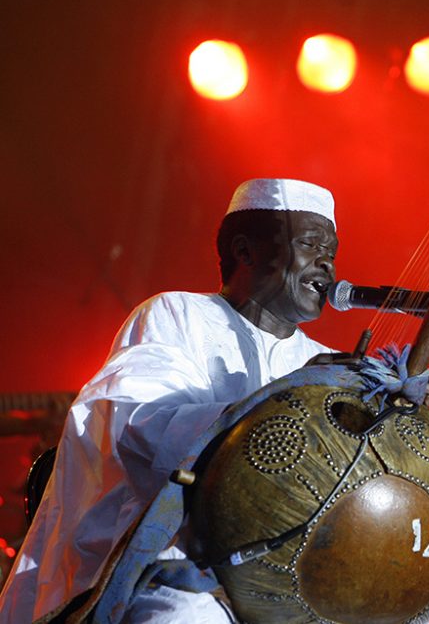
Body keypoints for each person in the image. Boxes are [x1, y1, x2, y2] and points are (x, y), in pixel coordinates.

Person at [0, 178, 360, 623]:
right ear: (245, 252)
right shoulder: (177, 314)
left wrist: (385, 417)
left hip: (276, 588)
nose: (327, 264)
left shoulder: (314, 361)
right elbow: (140, 427)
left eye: (332, 251)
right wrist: (284, 399)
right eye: (309, 244)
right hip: (170, 574)